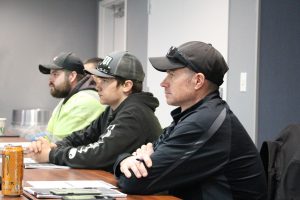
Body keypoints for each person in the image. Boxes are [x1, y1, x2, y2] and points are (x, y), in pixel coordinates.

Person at [114, 41, 267, 199]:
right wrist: (125, 160)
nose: (163, 83)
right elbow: (147, 158)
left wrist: (127, 161)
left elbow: (134, 182)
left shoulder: (204, 122)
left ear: (198, 81)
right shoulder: (193, 115)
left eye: (172, 75)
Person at [27, 51, 162, 171]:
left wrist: (51, 154)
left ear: (126, 85)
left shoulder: (134, 114)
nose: (97, 85)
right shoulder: (112, 109)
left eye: (104, 80)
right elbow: (82, 136)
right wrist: (54, 145)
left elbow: (99, 153)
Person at [36, 52, 105, 142]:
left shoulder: (84, 101)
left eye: (55, 74)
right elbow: (49, 139)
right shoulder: (68, 100)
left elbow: (58, 145)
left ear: (72, 76)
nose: (50, 81)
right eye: (51, 74)